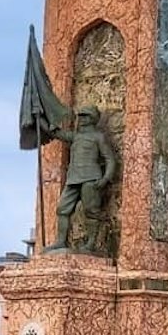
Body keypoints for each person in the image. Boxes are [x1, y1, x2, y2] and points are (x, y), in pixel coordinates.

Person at [48, 107, 118, 254]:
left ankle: (91, 244)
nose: (81, 119)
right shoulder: (75, 136)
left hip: (91, 178)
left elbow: (110, 159)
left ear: (92, 119)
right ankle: (61, 241)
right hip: (73, 178)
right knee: (62, 209)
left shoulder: (98, 137)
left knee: (91, 211)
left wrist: (106, 178)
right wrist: (43, 121)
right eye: (81, 116)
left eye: (85, 116)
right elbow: (57, 134)